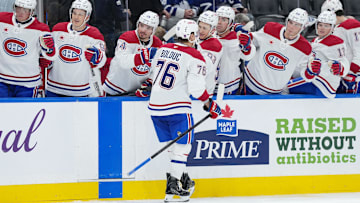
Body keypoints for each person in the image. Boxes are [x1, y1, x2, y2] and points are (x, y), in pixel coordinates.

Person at [148, 18, 221, 202]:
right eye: (194, 34)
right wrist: (209, 103)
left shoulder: (162, 49)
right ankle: (173, 187)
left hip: (155, 108)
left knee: (174, 149)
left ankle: (183, 182)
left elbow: (152, 74)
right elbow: (197, 90)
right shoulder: (195, 55)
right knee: (183, 147)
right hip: (177, 107)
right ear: (190, 35)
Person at [239, 8, 312, 95]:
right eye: (290, 22)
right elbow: (253, 40)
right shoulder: (270, 28)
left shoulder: (305, 48)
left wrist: (311, 72)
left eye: (297, 25)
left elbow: (302, 73)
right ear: (287, 21)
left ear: (303, 27)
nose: (291, 27)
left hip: (273, 94)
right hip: (249, 84)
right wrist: (246, 40)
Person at [47, 0, 106, 97]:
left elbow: (101, 59)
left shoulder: (94, 35)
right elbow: (49, 55)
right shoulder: (58, 29)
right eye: (74, 13)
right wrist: (46, 54)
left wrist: (96, 57)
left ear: (87, 17)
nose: (76, 17)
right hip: (54, 88)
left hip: (79, 91)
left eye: (80, 14)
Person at [0, 0, 57, 97]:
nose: (21, 12)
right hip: (2, 80)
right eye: (18, 8)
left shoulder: (41, 29)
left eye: (25, 10)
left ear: (32, 12)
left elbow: (50, 57)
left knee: (24, 112)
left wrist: (50, 49)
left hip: (27, 83)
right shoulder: (2, 19)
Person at [287, 11, 349, 98]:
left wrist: (341, 67)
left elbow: (343, 61)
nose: (322, 28)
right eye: (320, 25)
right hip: (316, 81)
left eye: (326, 26)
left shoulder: (335, 42)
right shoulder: (315, 40)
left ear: (332, 28)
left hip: (323, 83)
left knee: (285, 87)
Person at [103, 10, 162, 96]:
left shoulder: (157, 44)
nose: (143, 30)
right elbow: (122, 61)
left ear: (153, 30)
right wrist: (142, 57)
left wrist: (149, 83)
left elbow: (157, 68)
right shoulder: (127, 38)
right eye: (141, 25)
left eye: (148, 28)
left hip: (137, 92)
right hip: (115, 89)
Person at [321, 0, 360, 94]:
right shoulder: (338, 27)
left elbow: (358, 52)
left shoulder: (352, 25)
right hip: (342, 73)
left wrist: (351, 72)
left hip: (351, 76)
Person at [216, 6, 254, 94]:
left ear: (230, 22)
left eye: (224, 20)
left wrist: (247, 47)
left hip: (230, 87)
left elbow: (248, 55)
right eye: (217, 18)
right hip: (210, 86)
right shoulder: (208, 35)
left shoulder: (238, 39)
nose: (219, 22)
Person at [197, 10, 223, 95]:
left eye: (204, 28)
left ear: (213, 30)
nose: (200, 31)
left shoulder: (214, 45)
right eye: (199, 26)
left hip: (205, 91)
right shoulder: (201, 38)